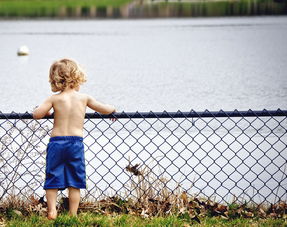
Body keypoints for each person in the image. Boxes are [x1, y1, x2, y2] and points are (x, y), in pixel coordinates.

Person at [33, 58, 116, 220]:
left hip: (56, 143)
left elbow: (37, 114)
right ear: (77, 77)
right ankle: (72, 214)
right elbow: (105, 109)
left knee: (52, 177)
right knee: (74, 180)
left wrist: (44, 111)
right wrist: (113, 109)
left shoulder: (54, 99)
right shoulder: (84, 98)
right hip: (75, 144)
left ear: (56, 79)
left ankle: (52, 211)